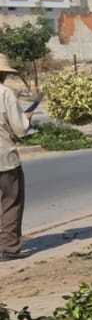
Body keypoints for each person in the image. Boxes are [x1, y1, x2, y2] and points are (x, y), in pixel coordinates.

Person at [0, 54, 41, 261]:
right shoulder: (5, 93)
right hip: (4, 156)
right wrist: (26, 120)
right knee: (11, 200)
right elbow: (19, 128)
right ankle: (8, 246)